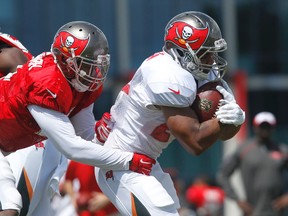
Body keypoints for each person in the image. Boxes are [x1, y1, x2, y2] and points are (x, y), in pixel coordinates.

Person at [95, 11, 245, 215]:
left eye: (213, 52)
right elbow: (196, 142)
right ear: (181, 51)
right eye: (205, 53)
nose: (212, 60)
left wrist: (234, 119)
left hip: (147, 162)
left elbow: (224, 134)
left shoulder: (202, 73)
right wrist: (223, 120)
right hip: (121, 163)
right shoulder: (165, 73)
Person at [0, 21, 156, 216]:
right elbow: (72, 147)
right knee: (11, 203)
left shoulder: (78, 84)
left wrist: (105, 136)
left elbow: (83, 134)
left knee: (38, 211)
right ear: (65, 60)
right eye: (86, 64)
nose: (95, 73)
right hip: (23, 140)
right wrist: (128, 160)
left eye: (97, 63)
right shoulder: (46, 83)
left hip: (30, 141)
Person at [0, 32, 69, 216]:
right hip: (31, 140)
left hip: (27, 141)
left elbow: (24, 81)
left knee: (12, 208)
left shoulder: (7, 52)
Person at [217, 111, 288, 216]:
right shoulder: (244, 149)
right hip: (252, 211)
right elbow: (223, 175)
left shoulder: (282, 150)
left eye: (268, 127)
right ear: (255, 127)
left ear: (273, 128)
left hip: (277, 211)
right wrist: (238, 200)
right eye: (262, 126)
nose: (265, 130)